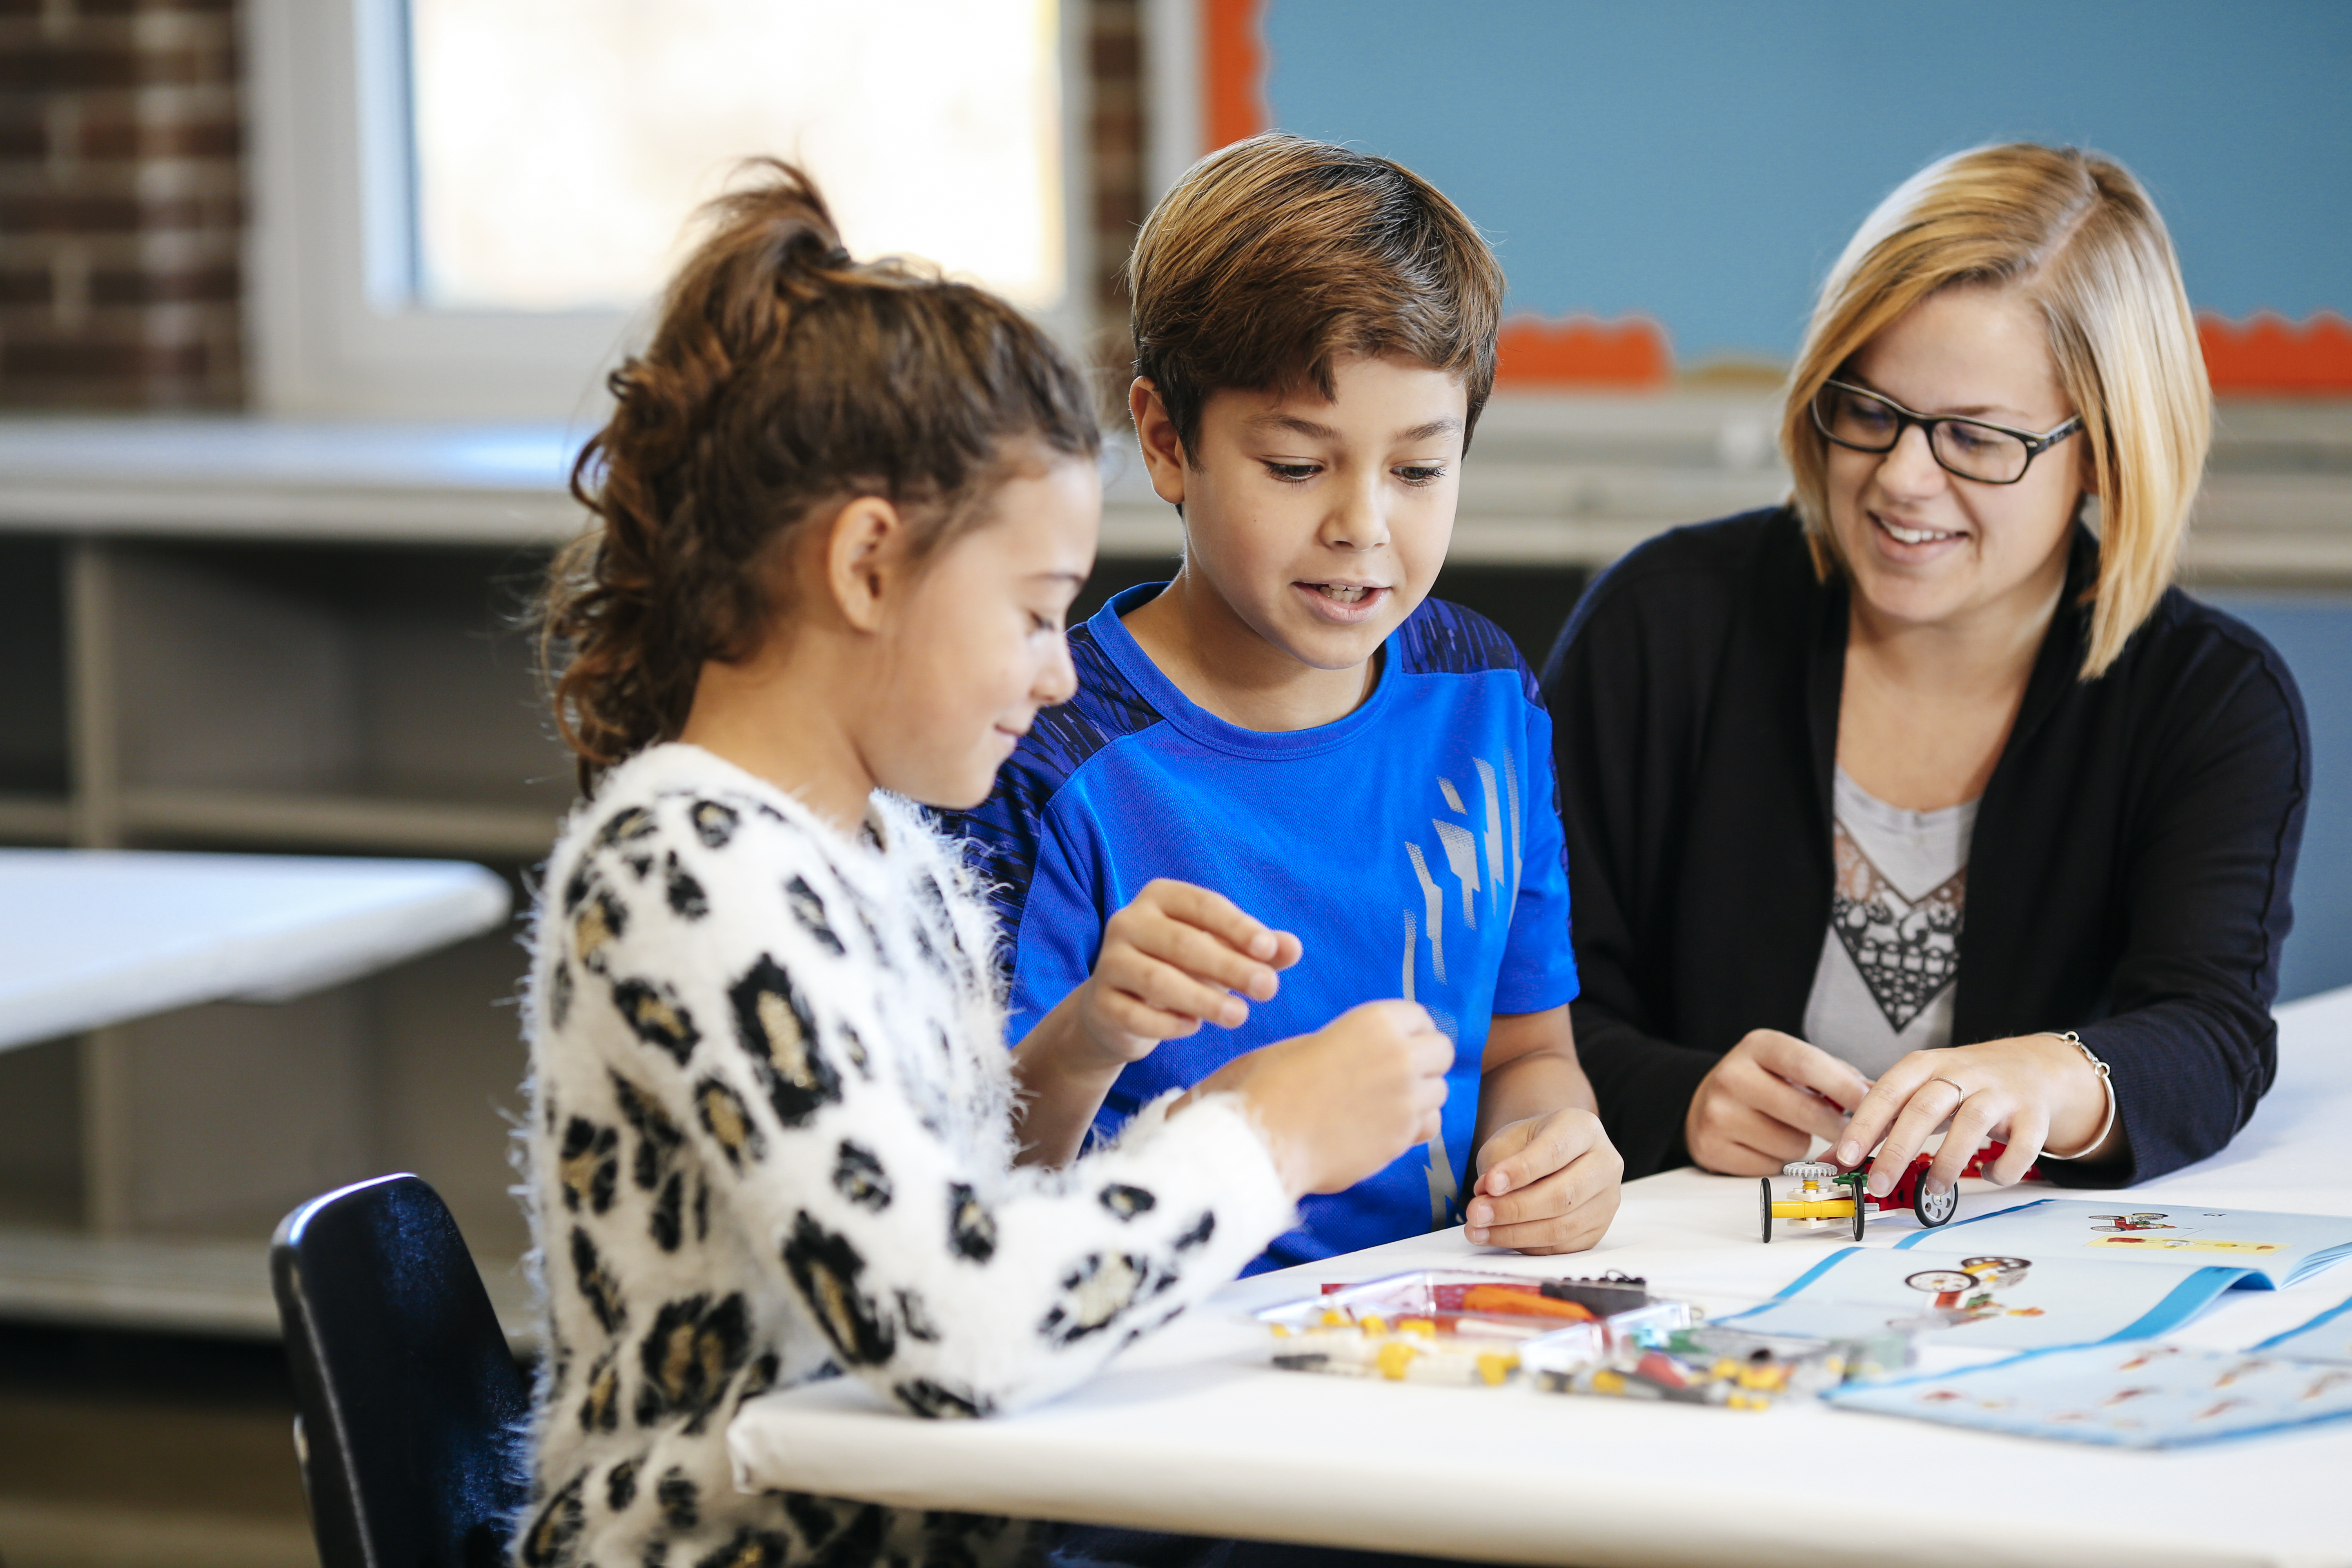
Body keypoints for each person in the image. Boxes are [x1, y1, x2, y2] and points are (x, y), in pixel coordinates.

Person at [517, 163, 1455, 1568]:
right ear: (869, 567)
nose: (1062, 670)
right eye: (1030, 613)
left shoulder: (884, 854)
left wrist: (1082, 1050)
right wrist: (1267, 1138)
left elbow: (958, 1211)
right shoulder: (688, 873)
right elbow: (949, 1324)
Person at [1544, 143, 2308, 1203]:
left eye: (1976, 439)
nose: (1903, 479)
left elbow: (2212, 1033)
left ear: (2106, 454)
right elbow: (1526, 1001)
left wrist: (2057, 1076)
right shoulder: (1666, 623)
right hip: (1692, 1265)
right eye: (1869, 411)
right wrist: (1679, 1096)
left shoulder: (2211, 701)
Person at [949, 133, 1621, 1269]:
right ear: (1167, 441)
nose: (1364, 525)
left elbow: (1525, 1050)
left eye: (1418, 470)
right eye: (1298, 467)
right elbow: (973, 1193)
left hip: (1437, 1337)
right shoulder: (1044, 746)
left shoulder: (1484, 692)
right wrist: (1093, 1039)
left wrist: (1558, 1146)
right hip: (1149, 1357)